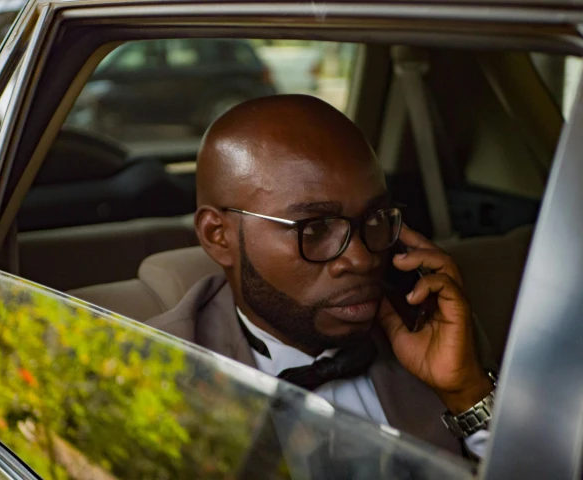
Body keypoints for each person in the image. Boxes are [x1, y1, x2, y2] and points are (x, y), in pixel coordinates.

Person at [146, 94, 495, 458]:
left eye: (375, 218)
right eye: (315, 228)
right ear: (218, 236)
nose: (361, 259)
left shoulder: (429, 324)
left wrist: (467, 392)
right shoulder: (155, 371)